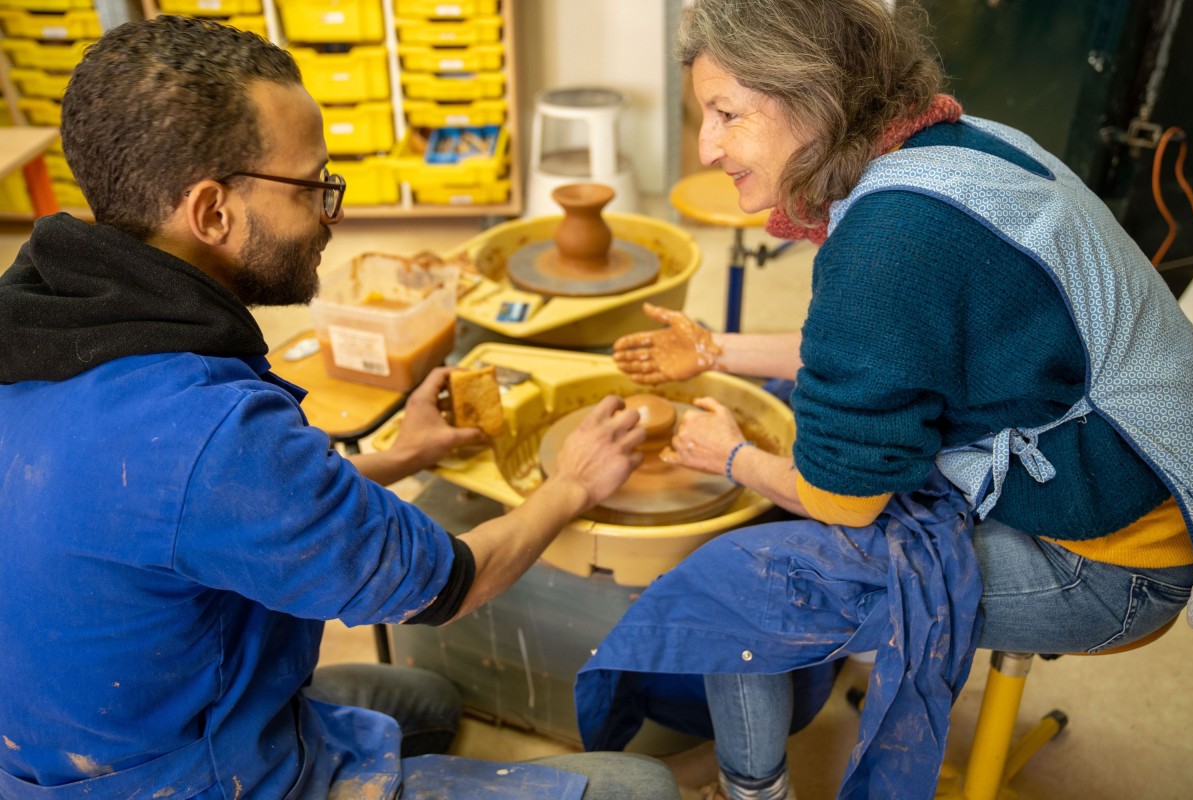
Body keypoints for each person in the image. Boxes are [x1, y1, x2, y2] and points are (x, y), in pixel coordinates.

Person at [0, 16, 682, 800]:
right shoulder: (207, 435)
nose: (333, 213)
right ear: (212, 212)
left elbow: (196, 505)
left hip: (75, 748)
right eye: (312, 185)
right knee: (643, 785)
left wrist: (405, 453)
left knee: (421, 703)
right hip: (185, 783)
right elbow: (454, 583)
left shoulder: (45, 323)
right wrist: (574, 483)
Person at [575, 1, 1193, 799]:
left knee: (738, 584)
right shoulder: (952, 144)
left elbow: (844, 504)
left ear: (813, 97)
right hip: (1127, 468)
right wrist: (711, 350)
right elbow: (889, 351)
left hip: (1116, 562)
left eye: (727, 114)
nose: (706, 146)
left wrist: (727, 456)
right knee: (784, 406)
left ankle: (753, 793)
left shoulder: (888, 243)